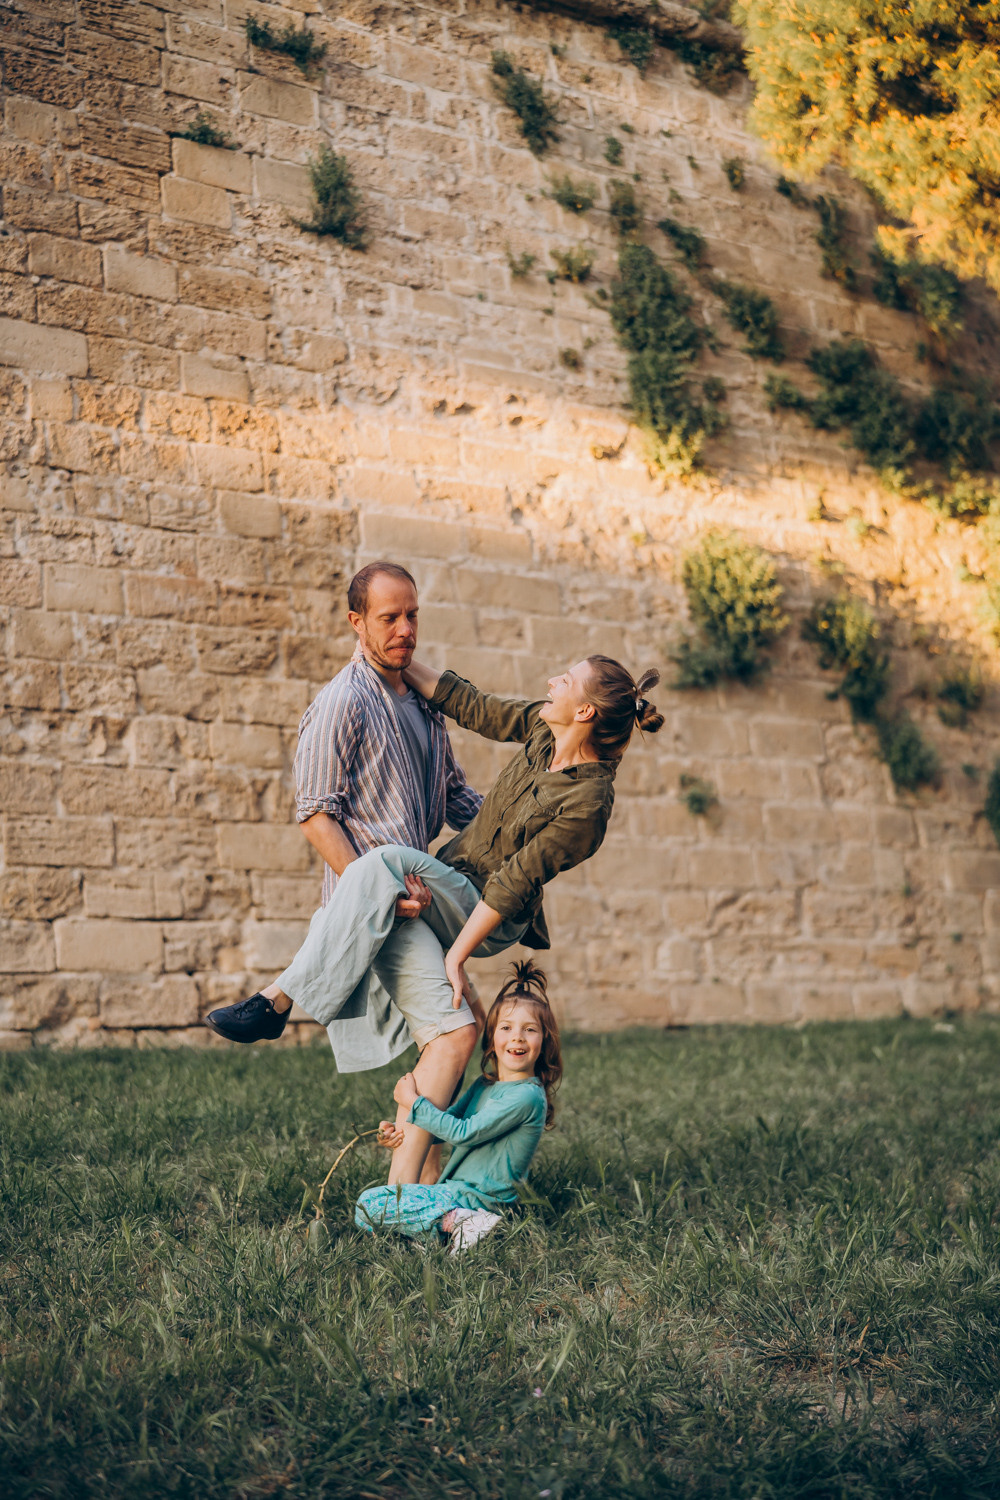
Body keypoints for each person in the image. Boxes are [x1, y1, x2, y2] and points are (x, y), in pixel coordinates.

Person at [206, 651, 664, 1182]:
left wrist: (457, 958)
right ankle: (414, 1189)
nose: (551, 680)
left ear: (584, 712)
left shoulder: (589, 801)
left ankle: (278, 1000)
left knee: (385, 862)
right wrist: (392, 656)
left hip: (489, 913)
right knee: (448, 1033)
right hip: (452, 880)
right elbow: (472, 705)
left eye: (564, 679)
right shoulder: (543, 729)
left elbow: (512, 884)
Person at [206, 560, 484, 1187]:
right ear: (356, 621)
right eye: (390, 617)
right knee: (455, 1036)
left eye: (412, 615)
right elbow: (315, 818)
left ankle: (425, 1185)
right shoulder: (340, 704)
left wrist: (521, 819)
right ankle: (399, 1197)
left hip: (421, 894)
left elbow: (453, 797)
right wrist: (381, 889)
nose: (405, 629)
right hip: (380, 910)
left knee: (452, 1043)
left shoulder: (423, 704)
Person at [357, 961, 562, 1254]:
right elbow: (444, 1126)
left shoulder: (526, 1097)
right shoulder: (485, 1085)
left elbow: (464, 1133)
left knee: (370, 1205)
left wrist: (414, 1102)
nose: (517, 1036)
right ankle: (442, 1235)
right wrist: (402, 1129)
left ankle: (464, 1224)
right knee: (367, 1209)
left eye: (530, 1030)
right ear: (492, 1038)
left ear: (544, 1042)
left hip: (481, 1200)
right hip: (453, 1193)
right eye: (506, 1027)